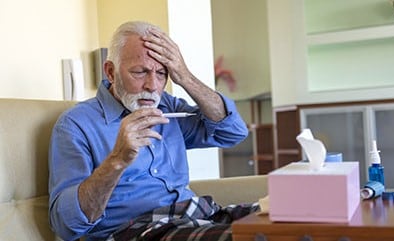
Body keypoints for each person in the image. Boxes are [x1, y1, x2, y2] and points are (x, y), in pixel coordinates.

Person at [48, 21, 257, 241]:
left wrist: (184, 76)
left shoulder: (166, 107)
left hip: (195, 216)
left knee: (287, 218)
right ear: (110, 72)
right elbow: (66, 226)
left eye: (161, 74)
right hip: (138, 231)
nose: (153, 85)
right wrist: (117, 160)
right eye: (140, 72)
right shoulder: (75, 125)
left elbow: (232, 132)